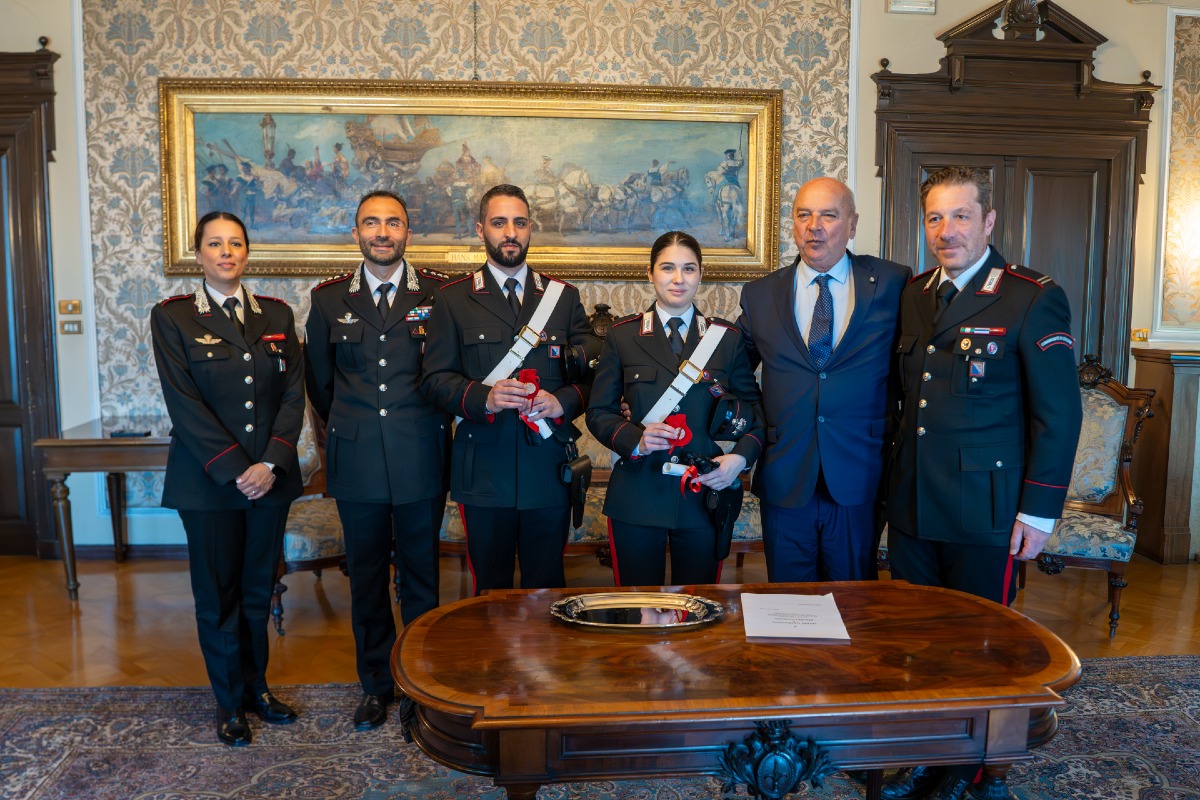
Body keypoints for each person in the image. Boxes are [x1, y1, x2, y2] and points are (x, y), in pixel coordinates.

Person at [883, 166, 1083, 800]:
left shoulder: (1030, 296)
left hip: (986, 509)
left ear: (989, 221)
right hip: (914, 503)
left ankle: (971, 767)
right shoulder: (915, 293)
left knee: (981, 644)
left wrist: (1039, 513)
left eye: (961, 216)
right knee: (919, 641)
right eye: (935, 218)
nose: (947, 231)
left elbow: (1059, 416)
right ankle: (926, 752)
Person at [150, 211, 304, 746]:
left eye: (235, 243)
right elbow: (184, 404)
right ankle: (229, 701)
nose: (226, 252)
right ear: (198, 254)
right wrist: (240, 470)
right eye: (214, 244)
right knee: (218, 596)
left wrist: (272, 463)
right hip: (210, 483)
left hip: (270, 480)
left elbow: (293, 396)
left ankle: (258, 689)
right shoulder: (173, 316)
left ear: (247, 252)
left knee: (258, 591)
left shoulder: (277, 314)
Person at [304, 190, 451, 731]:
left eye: (393, 223)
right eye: (371, 223)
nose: (382, 232)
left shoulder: (438, 293)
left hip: (421, 454)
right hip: (358, 459)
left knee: (420, 577)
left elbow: (447, 374)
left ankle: (420, 685)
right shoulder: (328, 300)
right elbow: (320, 385)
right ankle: (375, 686)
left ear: (408, 232)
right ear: (356, 233)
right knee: (365, 579)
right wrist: (357, 427)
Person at [421, 184, 599, 594]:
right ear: (480, 229)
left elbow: (593, 375)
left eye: (519, 223)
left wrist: (562, 402)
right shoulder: (452, 299)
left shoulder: (562, 297)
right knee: (490, 590)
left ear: (531, 228)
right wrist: (484, 397)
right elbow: (434, 380)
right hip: (484, 469)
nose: (510, 233)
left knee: (547, 587)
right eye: (499, 223)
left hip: (547, 467)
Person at [737, 177, 910, 582]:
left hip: (860, 473)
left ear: (852, 225)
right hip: (785, 472)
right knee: (789, 601)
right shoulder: (760, 294)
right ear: (793, 224)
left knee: (852, 600)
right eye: (804, 215)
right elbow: (733, 372)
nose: (814, 226)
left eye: (829, 215)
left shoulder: (893, 283)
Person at [587, 231, 764, 586]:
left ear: (700, 274)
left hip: (703, 494)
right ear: (650, 273)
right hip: (638, 494)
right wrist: (635, 440)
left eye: (689, 268)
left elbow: (756, 415)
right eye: (667, 268)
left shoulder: (725, 340)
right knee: (638, 605)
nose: (678, 278)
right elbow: (598, 412)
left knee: (700, 605)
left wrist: (739, 460)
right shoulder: (623, 335)